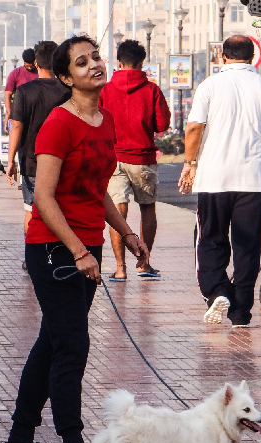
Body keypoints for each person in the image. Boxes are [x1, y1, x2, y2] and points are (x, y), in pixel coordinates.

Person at [1, 35, 149, 443]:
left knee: (52, 344)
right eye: (82, 63)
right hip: (53, 247)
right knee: (72, 346)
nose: (94, 66)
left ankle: (20, 442)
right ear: (66, 76)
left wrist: (127, 233)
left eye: (96, 58)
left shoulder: (104, 121)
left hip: (87, 247)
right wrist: (79, 250)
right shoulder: (58, 123)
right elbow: (44, 198)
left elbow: (94, 188)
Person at [178, 35, 261, 328]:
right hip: (253, 180)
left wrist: (190, 163)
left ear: (222, 57)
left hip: (213, 180)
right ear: (252, 58)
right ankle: (241, 313)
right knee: (247, 245)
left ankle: (217, 291)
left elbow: (193, 128)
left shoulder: (210, 86)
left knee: (210, 240)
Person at [99, 39, 170, 281]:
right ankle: (144, 262)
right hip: (143, 157)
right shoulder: (152, 90)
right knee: (147, 208)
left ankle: (120, 268)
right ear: (142, 63)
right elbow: (162, 124)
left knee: (117, 211)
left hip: (114, 157)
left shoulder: (105, 90)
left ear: (118, 63)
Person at [6, 40, 71, 270]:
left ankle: (32, 257)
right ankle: (59, 254)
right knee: (60, 208)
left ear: (35, 63)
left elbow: (16, 126)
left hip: (32, 162)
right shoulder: (67, 91)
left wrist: (10, 159)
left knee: (32, 209)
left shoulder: (24, 91)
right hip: (63, 161)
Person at [4, 48, 39, 120]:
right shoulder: (15, 74)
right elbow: (7, 95)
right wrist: (10, 114)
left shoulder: (40, 73)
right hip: (19, 112)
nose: (29, 68)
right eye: (27, 66)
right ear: (24, 61)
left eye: (32, 66)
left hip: (36, 112)